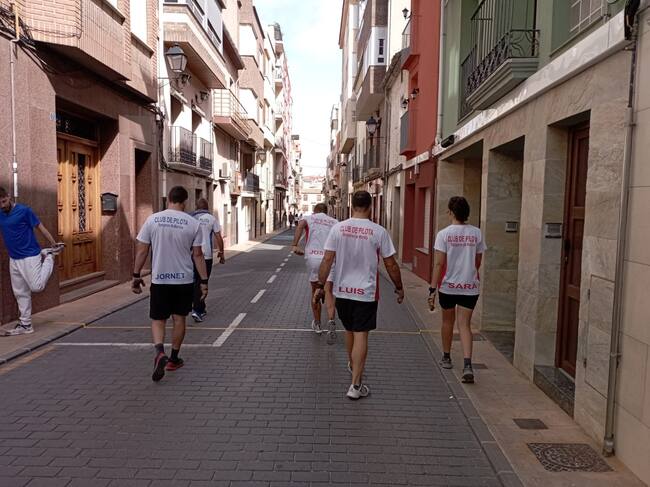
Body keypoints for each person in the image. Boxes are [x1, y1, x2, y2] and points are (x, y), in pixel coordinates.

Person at [316, 190, 404, 400]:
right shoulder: (378, 231)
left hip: (342, 291)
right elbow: (391, 264)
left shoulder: (338, 229)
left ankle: (353, 365)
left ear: (352, 206)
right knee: (361, 334)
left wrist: (320, 285)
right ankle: (355, 385)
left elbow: (327, 259)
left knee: (350, 331)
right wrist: (399, 286)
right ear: (370, 207)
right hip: (366, 292)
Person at [132, 186, 209, 382]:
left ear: (168, 200)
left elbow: (142, 250)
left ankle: (159, 352)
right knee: (179, 319)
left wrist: (136, 274)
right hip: (183, 280)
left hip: (160, 279)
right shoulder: (193, 223)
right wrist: (204, 281)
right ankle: (174, 359)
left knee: (158, 319)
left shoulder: (153, 220)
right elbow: (198, 255)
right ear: (184, 201)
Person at [428, 196, 486, 384]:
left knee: (447, 322)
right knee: (465, 325)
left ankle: (446, 357)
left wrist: (432, 288)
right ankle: (468, 365)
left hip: (448, 286)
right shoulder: (476, 233)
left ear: (451, 212)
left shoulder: (443, 234)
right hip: (470, 286)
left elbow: (439, 264)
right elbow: (478, 260)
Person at [0, 188, 64, 336]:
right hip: (14, 258)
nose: (2, 205)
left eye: (4, 201)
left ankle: (49, 255)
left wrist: (53, 243)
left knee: (36, 286)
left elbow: (41, 227)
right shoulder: (0, 213)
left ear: (8, 196)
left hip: (30, 255)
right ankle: (26, 324)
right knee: (20, 293)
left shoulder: (24, 211)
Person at [292, 202, 337, 343]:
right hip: (328, 258)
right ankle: (331, 320)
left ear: (314, 211)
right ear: (326, 211)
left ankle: (317, 324)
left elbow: (300, 226)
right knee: (328, 291)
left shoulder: (308, 218)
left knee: (315, 290)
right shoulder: (334, 222)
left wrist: (295, 244)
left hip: (313, 257)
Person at [190, 198, 225, 323]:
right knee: (202, 282)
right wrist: (221, 252)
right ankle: (197, 310)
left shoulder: (191, 218)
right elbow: (218, 237)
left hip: (192, 255)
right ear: (207, 207)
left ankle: (200, 307)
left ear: (196, 207)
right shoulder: (212, 219)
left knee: (194, 281)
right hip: (206, 256)